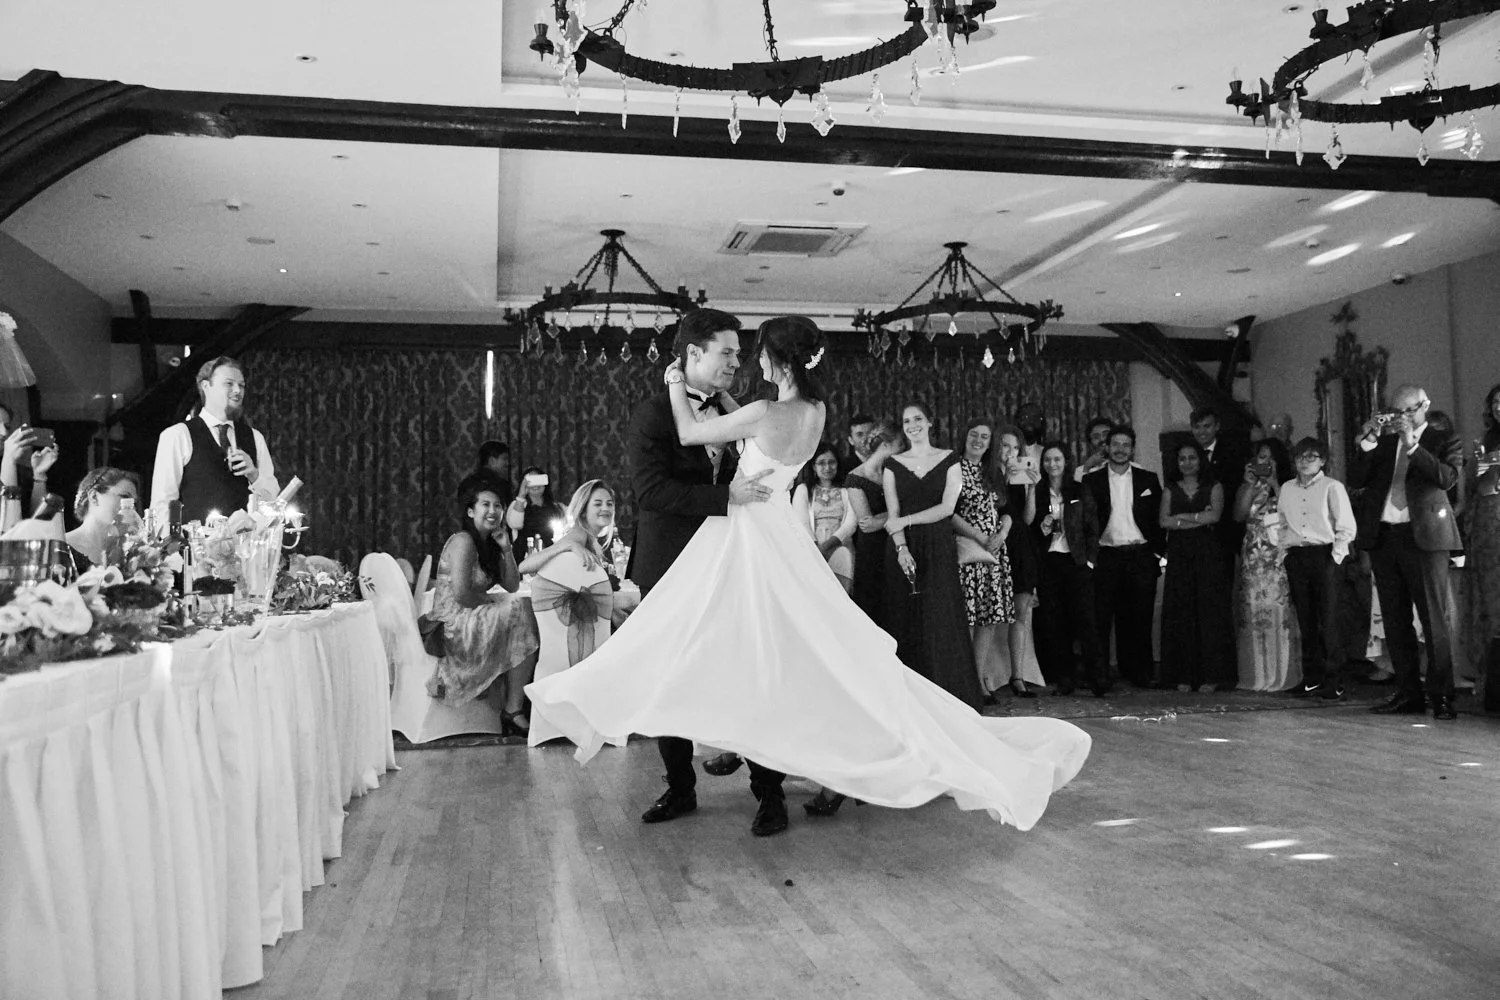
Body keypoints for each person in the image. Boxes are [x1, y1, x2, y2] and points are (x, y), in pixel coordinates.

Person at [526, 316, 1091, 836]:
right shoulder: (812, 411)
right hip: (759, 542)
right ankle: (689, 785)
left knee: (761, 664)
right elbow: (662, 481)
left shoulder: (758, 411)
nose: (745, 363)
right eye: (728, 353)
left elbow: (692, 433)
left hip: (743, 541)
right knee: (739, 660)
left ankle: (768, 789)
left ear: (778, 359)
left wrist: (677, 382)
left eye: (753, 354)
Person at [1350, 385, 1463, 720]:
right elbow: (1357, 478)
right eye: (1396, 412)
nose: (1402, 418)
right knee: (1396, 621)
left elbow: (1445, 478)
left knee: (1433, 620)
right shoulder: (1383, 443)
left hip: (1425, 539)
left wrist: (1412, 443)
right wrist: (1368, 439)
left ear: (1424, 406)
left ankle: (1442, 696)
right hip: (1386, 537)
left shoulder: (1444, 440)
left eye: (1408, 411)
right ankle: (1408, 693)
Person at [884, 402, 983, 708]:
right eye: (906, 421)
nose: (912, 424)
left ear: (929, 423)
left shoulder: (949, 459)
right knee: (907, 618)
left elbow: (947, 508)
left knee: (941, 617)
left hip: (938, 545)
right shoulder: (892, 464)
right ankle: (909, 701)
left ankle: (950, 698)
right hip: (905, 549)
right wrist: (901, 548)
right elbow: (893, 514)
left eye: (917, 419)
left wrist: (907, 522)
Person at [429, 474, 539, 735]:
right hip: (453, 621)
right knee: (517, 612)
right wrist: (492, 602)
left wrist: (506, 549)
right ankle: (513, 710)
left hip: (472, 613)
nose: (493, 511)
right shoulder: (463, 541)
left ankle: (514, 708)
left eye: (498, 506)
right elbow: (462, 593)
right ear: (470, 511)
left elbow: (512, 584)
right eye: (485, 505)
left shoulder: (489, 543)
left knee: (520, 613)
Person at [520, 479, 616, 746]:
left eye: (609, 503)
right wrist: (568, 545)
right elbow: (524, 566)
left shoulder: (589, 539)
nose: (605, 508)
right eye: (597, 503)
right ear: (583, 509)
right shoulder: (577, 536)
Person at [150, 356, 280, 524]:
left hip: (246, 546)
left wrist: (254, 474)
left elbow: (273, 501)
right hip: (197, 546)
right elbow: (163, 503)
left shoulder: (255, 437)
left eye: (241, 385)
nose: (237, 391)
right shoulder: (177, 435)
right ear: (206, 386)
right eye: (229, 383)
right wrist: (170, 547)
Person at [1083, 425, 1165, 690]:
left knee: (1140, 617)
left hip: (1141, 555)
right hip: (1106, 556)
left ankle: (1139, 672)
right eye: (1115, 444)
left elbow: (1157, 519)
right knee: (1101, 619)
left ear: (1133, 448)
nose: (1120, 450)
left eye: (1125, 445)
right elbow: (1084, 522)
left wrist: (1158, 554)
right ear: (1107, 447)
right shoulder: (1091, 480)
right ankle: (1100, 675)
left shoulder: (1148, 479)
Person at [1277, 438, 1358, 700]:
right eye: (1300, 457)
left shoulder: (1332, 487)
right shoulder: (1287, 488)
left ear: (1322, 460)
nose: (1304, 461)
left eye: (1311, 457)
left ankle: (1335, 680)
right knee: (1306, 620)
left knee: (1330, 620)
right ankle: (1311, 678)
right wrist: (1284, 554)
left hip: (1324, 554)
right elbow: (1281, 523)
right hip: (1297, 555)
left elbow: (1346, 526)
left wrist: (1335, 558)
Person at [951, 418, 1020, 701]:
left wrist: (1002, 532)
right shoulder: (953, 468)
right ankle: (962, 681)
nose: (978, 440)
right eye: (974, 434)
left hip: (994, 552)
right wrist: (980, 537)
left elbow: (1007, 510)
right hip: (968, 550)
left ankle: (979, 679)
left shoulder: (993, 471)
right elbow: (948, 512)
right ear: (964, 436)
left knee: (988, 620)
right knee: (967, 618)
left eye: (984, 436)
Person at [1159, 441, 1236, 691]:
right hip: (1180, 555)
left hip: (1208, 554)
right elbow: (1163, 521)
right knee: (1182, 611)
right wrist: (1196, 519)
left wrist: (1180, 518)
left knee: (1209, 612)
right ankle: (1183, 675)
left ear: (1200, 460)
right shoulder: (1170, 488)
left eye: (1192, 457)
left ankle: (1212, 676)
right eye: (1182, 458)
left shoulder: (1214, 486)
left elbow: (1214, 516)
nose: (1187, 462)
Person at [1033, 442, 1106, 697]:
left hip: (1076, 562)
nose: (1052, 464)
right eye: (1048, 460)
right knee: (1055, 624)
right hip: (1050, 563)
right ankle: (1065, 679)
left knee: (1086, 622)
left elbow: (1092, 527)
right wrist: (1041, 530)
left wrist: (1090, 561)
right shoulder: (1038, 491)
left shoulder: (1078, 489)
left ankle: (1098, 678)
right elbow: (1030, 528)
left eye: (1057, 459)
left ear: (1066, 462)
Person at [1233, 438, 1301, 692]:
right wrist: (1250, 486)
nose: (1266, 462)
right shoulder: (1247, 485)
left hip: (1278, 554)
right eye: (1261, 458)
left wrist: (1273, 483)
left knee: (1280, 608)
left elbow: (1292, 513)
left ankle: (1283, 674)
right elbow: (1238, 515)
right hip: (1254, 555)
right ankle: (1256, 674)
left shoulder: (1289, 486)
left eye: (1271, 458)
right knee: (1253, 609)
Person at [995, 425, 1046, 696]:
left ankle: (1018, 676)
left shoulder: (1021, 476)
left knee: (1021, 611)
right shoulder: (987, 474)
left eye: (1015, 448)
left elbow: (1027, 518)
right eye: (1005, 446)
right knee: (989, 614)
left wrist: (1032, 488)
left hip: (1021, 542)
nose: (1010, 452)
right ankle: (985, 677)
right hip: (995, 544)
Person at [844, 419, 901, 630]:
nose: (903, 450)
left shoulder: (896, 473)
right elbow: (867, 524)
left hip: (897, 545)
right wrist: (898, 512)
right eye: (900, 445)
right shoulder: (855, 478)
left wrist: (884, 518)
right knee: (874, 608)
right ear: (886, 445)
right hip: (872, 551)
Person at [1466, 383, 1500, 712]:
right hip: (1490, 523)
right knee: (1490, 604)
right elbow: (1473, 486)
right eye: (1496, 403)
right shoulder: (1483, 442)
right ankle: (1489, 682)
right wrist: (1484, 468)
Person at [792, 443, 856, 593]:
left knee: (840, 595)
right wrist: (816, 550)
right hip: (810, 550)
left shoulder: (847, 490)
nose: (827, 467)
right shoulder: (803, 490)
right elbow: (802, 523)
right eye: (821, 463)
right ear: (813, 467)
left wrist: (826, 546)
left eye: (831, 462)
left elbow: (851, 523)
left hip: (841, 547)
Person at [1191, 406, 1249, 564]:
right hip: (1195, 530)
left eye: (1207, 426)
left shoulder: (1232, 452)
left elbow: (1236, 487)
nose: (1202, 432)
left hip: (1226, 527)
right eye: (1197, 427)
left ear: (1217, 426)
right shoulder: (1186, 454)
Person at [65, 468, 141, 571]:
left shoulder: (130, 552)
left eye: (133, 503)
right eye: (125, 496)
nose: (131, 508)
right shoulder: (61, 547)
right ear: (94, 497)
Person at [506, 466, 567, 555]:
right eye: (531, 481)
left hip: (551, 553)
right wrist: (521, 495)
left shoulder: (558, 508)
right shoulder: (517, 505)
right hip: (524, 553)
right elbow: (515, 524)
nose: (535, 485)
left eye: (538, 480)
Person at [1074, 417, 1115, 483]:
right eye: (1096, 437)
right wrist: (1087, 468)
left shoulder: (1129, 467)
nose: (1102, 439)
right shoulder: (1080, 471)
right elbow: (1080, 492)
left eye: (1106, 434)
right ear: (1090, 443)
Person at [476, 439, 514, 505]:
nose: (507, 463)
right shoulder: (502, 485)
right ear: (492, 461)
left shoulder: (467, 483)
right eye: (504, 459)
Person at [838, 413, 877, 477]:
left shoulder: (887, 462)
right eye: (859, 435)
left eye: (869, 433)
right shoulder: (843, 467)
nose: (865, 439)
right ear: (851, 440)